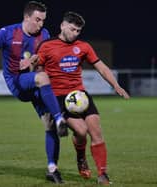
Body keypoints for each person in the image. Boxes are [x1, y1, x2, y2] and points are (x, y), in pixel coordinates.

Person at [0, 1, 67, 184]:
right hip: (17, 83)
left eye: (43, 20)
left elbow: (42, 58)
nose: (41, 24)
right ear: (26, 17)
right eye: (37, 20)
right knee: (42, 78)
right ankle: (60, 117)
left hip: (34, 83)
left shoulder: (45, 34)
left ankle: (52, 169)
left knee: (49, 127)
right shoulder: (6, 33)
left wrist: (33, 60)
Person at [35, 11, 130, 185]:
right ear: (63, 25)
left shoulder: (83, 47)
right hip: (59, 97)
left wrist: (116, 85)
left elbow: (101, 67)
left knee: (96, 131)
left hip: (80, 95)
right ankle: (81, 157)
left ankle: (102, 174)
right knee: (80, 131)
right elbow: (39, 72)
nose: (75, 34)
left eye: (78, 31)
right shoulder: (47, 46)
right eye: (73, 29)